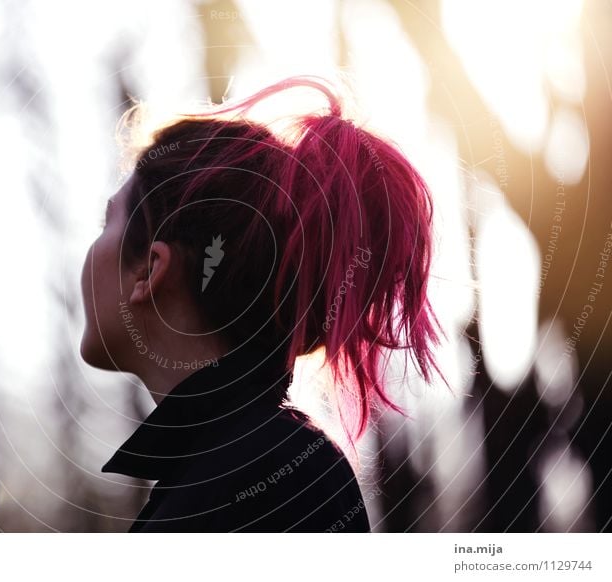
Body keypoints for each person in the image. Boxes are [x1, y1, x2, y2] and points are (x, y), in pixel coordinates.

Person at [80, 76, 445, 532]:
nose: (89, 249)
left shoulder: (272, 478)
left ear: (149, 270)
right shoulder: (250, 468)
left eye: (105, 220)